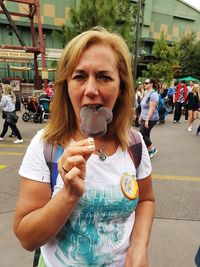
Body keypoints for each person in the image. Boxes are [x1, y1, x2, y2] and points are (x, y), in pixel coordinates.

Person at [13, 27, 155, 267]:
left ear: (121, 87)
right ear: (66, 87)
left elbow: (146, 200)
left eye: (104, 76)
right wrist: (68, 194)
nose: (91, 89)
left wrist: (139, 247)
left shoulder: (134, 144)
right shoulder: (45, 145)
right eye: (79, 76)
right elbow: (27, 238)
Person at [139, 78, 159, 158]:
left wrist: (147, 120)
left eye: (146, 83)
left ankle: (152, 149)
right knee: (146, 134)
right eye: (144, 83)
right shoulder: (146, 92)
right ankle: (148, 149)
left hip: (151, 118)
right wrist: (140, 116)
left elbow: (152, 109)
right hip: (144, 117)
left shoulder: (153, 94)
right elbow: (143, 106)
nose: (145, 84)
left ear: (151, 84)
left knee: (141, 134)